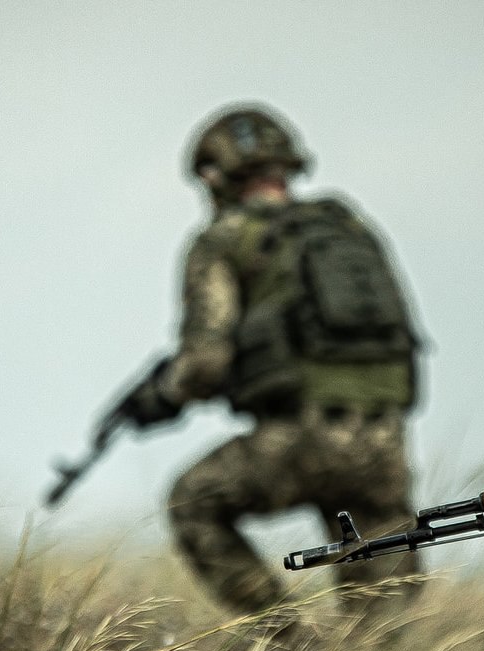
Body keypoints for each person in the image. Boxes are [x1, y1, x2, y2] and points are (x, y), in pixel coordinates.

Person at [130, 104, 423, 624]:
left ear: (214, 175)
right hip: (385, 437)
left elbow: (204, 361)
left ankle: (290, 648)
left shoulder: (222, 240)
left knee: (191, 503)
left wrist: (165, 395)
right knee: (379, 613)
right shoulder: (347, 226)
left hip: (297, 436)